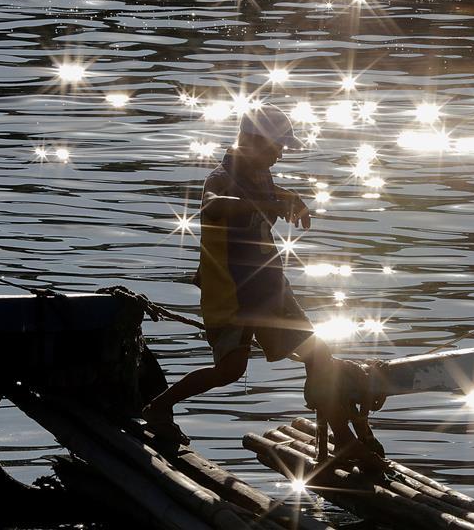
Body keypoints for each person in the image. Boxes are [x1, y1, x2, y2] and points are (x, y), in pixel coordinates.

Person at [142, 104, 363, 456]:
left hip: (268, 289)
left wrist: (290, 198)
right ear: (252, 141)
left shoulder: (261, 177)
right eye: (276, 147)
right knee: (229, 371)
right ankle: (159, 406)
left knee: (317, 352)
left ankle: (343, 439)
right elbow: (213, 205)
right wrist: (268, 204)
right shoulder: (220, 178)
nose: (280, 155)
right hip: (232, 291)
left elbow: (270, 198)